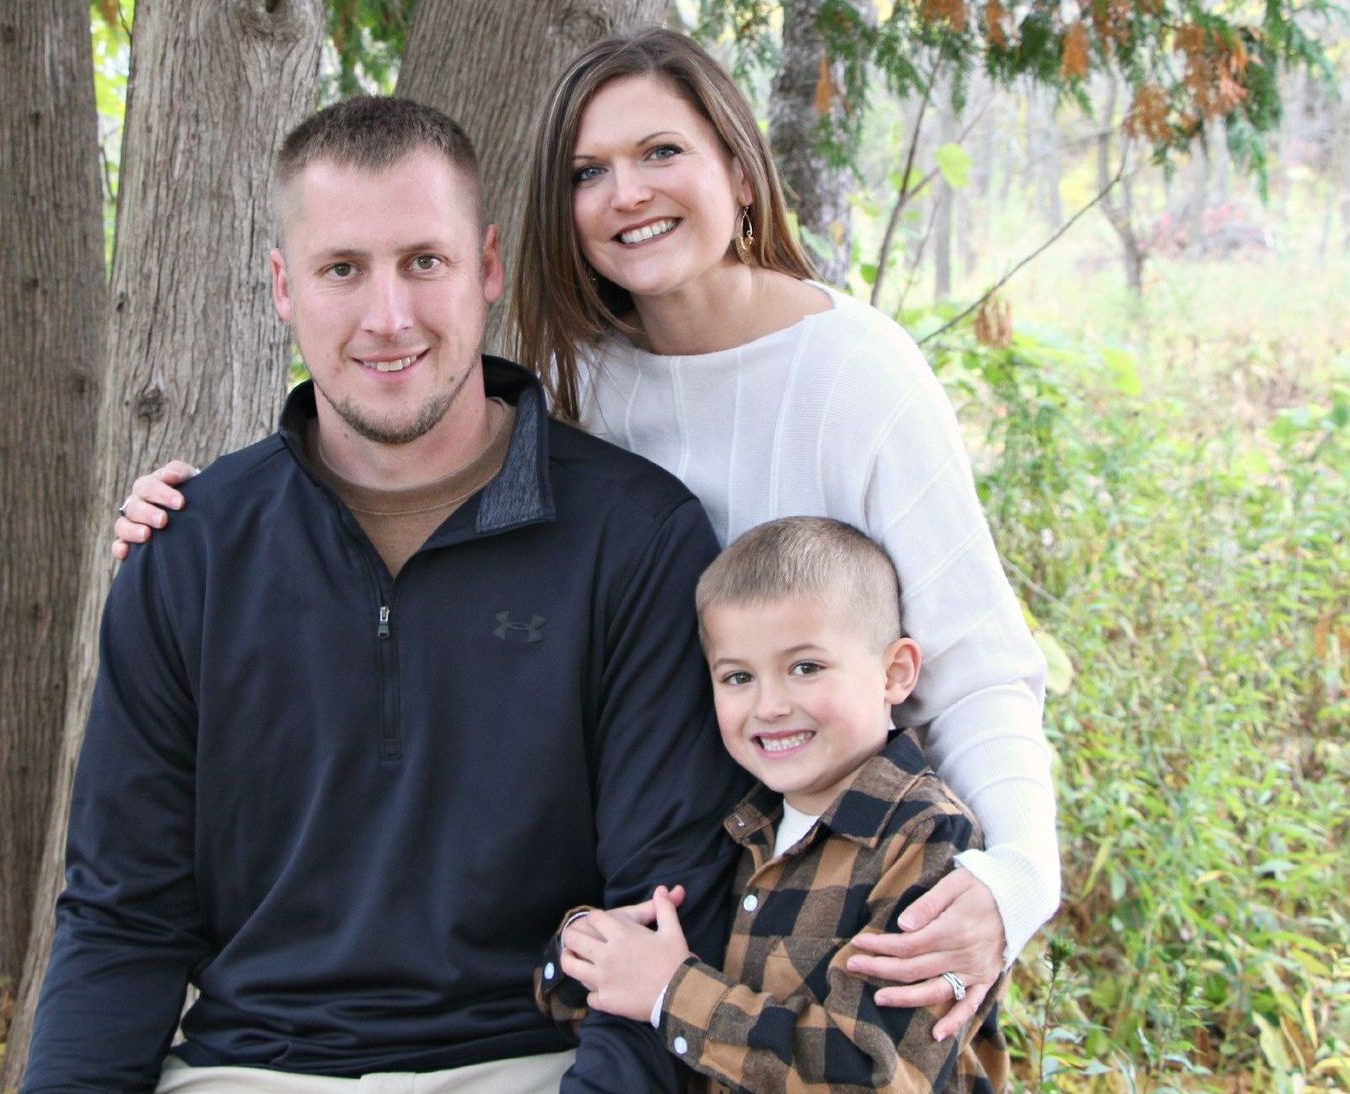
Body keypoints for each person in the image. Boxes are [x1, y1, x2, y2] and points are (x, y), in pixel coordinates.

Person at [113, 27, 1059, 1033]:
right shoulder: (577, 385)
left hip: (837, 872)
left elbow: (975, 664)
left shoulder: (857, 373)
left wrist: (1014, 881)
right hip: (676, 878)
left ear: (738, 172)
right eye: (587, 170)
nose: (627, 192)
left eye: (660, 153)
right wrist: (195, 517)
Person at [23, 95, 747, 1093]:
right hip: (251, 1070)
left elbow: (669, 900)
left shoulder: (632, 538)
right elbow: (122, 912)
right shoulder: (191, 552)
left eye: (424, 261)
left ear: (486, 267)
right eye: (341, 270)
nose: (388, 317)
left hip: (533, 1061)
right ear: (284, 285)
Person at [548, 516, 1010, 1092]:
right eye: (738, 677)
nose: (768, 705)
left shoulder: (925, 838)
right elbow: (609, 1010)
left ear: (895, 673)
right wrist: (585, 950)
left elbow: (872, 1074)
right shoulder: (739, 824)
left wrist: (672, 991)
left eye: (805, 667)